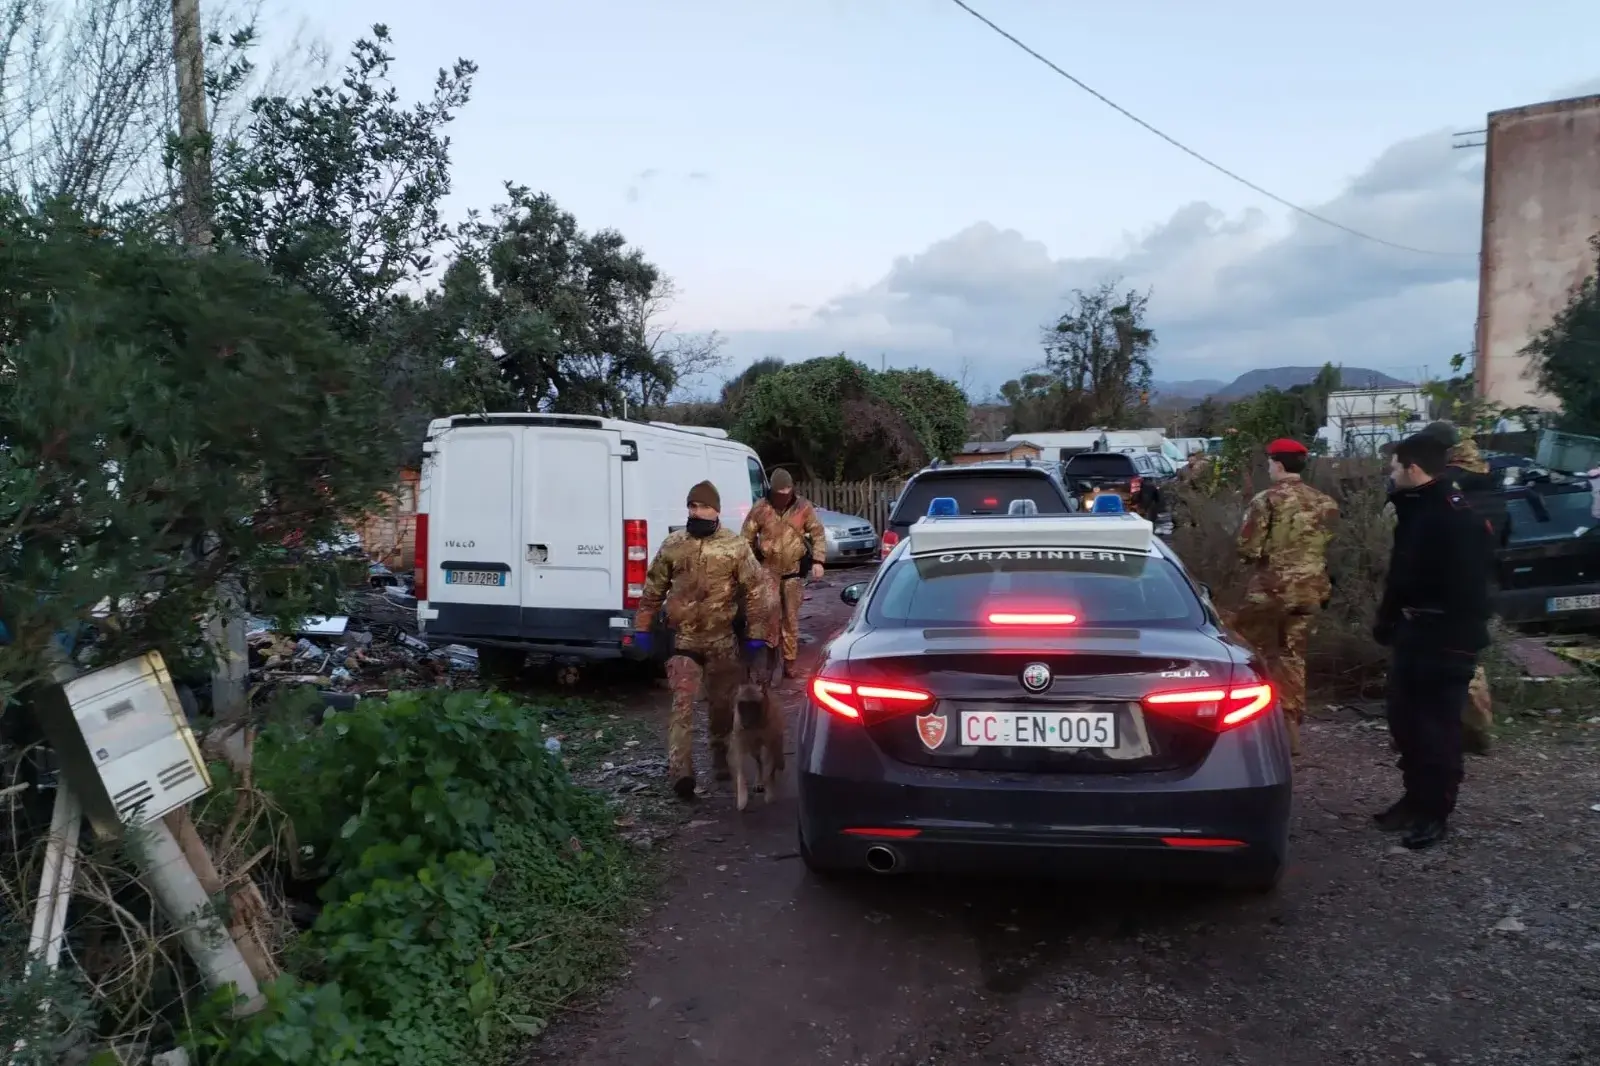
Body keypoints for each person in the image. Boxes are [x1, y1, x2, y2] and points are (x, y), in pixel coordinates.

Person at [1373, 432, 1493, 849]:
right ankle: (1414, 799)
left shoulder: (1454, 515)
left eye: (1394, 466)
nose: (1391, 474)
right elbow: (1402, 574)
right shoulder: (1417, 508)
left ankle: (1435, 813)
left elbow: (1471, 588)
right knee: (1404, 723)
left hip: (1446, 638)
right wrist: (1387, 620)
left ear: (1413, 468)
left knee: (1436, 730)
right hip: (1414, 633)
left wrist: (1452, 640)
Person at [633, 480, 774, 800]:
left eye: (702, 506)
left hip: (722, 641)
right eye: (692, 506)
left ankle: (721, 757)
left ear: (716, 510)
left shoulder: (735, 547)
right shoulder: (673, 544)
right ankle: (681, 772)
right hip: (683, 641)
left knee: (722, 708)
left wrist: (755, 634)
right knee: (681, 707)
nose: (696, 511)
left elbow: (755, 592)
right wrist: (642, 627)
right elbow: (653, 589)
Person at [1232, 438, 1340, 756]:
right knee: (1294, 656)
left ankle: (1257, 726)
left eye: (1269, 462)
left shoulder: (1266, 500)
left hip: (1271, 592)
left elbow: (1247, 548)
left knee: (1252, 651)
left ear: (1277, 464)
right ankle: (1291, 730)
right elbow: (1330, 546)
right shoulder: (1326, 502)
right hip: (1311, 592)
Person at [1417, 421, 1499, 755]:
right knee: (1468, 659)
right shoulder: (1488, 479)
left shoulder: (1444, 484)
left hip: (1444, 580)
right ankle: (1476, 732)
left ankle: (1437, 734)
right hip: (1481, 578)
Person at [740, 469, 826, 678]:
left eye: (788, 489)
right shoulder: (761, 508)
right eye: (781, 490)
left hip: (793, 571)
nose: (785, 493)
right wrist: (753, 562)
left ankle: (790, 662)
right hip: (768, 571)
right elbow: (746, 538)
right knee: (770, 616)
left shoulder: (802, 507)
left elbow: (817, 532)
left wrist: (818, 560)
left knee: (791, 618)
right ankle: (771, 659)